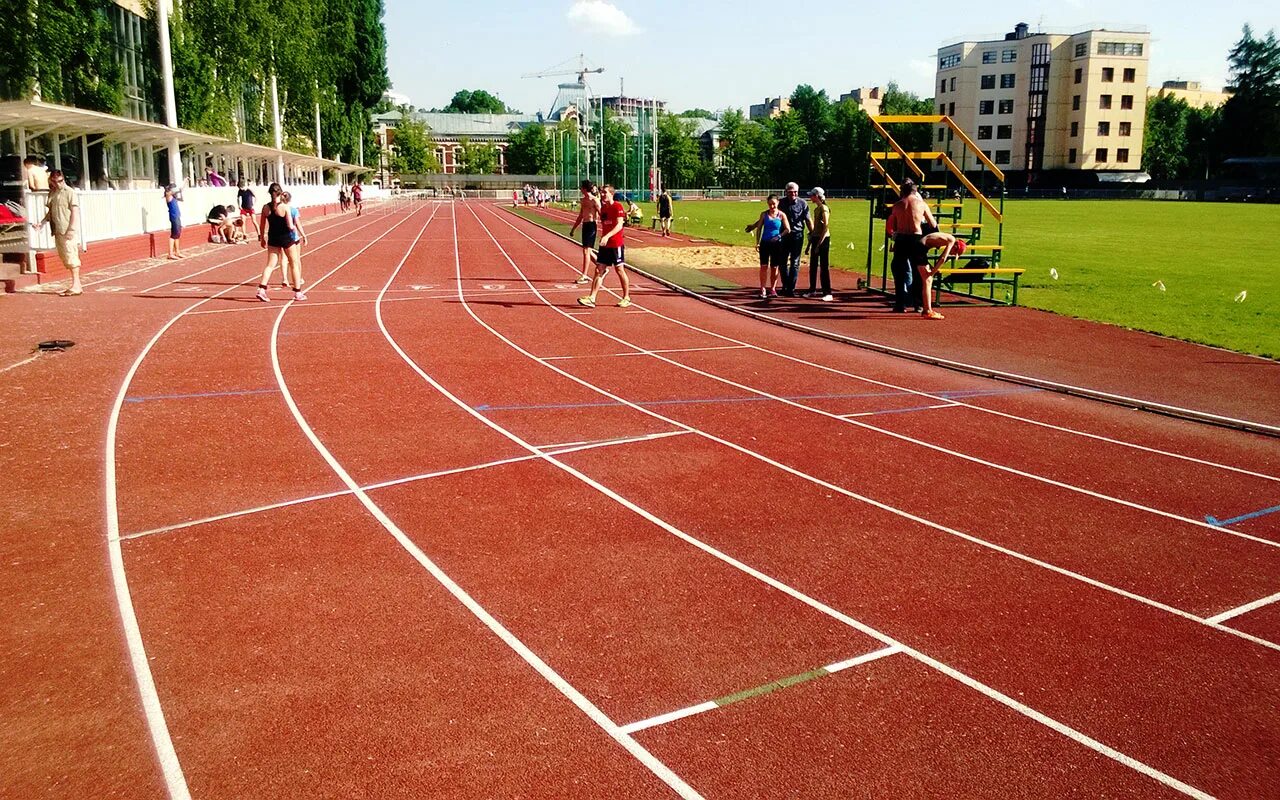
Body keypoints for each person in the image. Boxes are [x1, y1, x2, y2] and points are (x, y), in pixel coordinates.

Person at [885, 179, 939, 317]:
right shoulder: (921, 204)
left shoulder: (896, 206)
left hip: (901, 239)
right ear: (915, 192)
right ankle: (918, 305)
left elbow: (895, 227)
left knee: (900, 273)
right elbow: (933, 224)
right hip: (916, 239)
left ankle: (900, 304)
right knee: (919, 274)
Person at [576, 184, 631, 308]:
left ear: (611, 194)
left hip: (616, 244)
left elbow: (619, 225)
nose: (602, 194)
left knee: (619, 270)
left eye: (605, 192)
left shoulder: (617, 206)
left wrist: (607, 236)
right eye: (601, 192)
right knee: (598, 270)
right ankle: (592, 298)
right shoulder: (604, 209)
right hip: (605, 245)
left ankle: (626, 297)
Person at [38, 170, 82, 296]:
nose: (58, 184)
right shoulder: (52, 193)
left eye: (60, 181)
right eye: (55, 181)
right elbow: (51, 212)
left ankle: (76, 284)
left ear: (64, 179)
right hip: (57, 229)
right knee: (65, 256)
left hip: (66, 228)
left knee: (71, 255)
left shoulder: (70, 192)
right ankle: (76, 284)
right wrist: (42, 222)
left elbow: (74, 211)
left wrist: (71, 229)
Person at [745, 194, 790, 300]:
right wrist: (757, 242)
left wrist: (779, 236)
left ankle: (773, 289)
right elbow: (759, 228)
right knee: (764, 266)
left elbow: (788, 229)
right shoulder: (764, 214)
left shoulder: (781, 215)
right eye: (770, 204)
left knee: (775, 267)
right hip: (765, 243)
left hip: (776, 244)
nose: (772, 206)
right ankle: (763, 288)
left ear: (778, 203)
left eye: (774, 204)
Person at [255, 186, 295, 302]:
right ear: (281, 193)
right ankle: (297, 291)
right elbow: (290, 225)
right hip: (285, 237)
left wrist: (261, 238)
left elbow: (262, 225)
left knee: (270, 265)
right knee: (293, 263)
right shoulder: (284, 207)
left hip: (272, 237)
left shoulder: (265, 208)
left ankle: (261, 289)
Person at [776, 182, 809, 296]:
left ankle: (791, 288)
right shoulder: (780, 203)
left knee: (795, 262)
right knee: (782, 262)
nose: (793, 194)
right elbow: (770, 216)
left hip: (797, 235)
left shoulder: (803, 203)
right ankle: (785, 286)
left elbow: (808, 219)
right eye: (790, 192)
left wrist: (813, 233)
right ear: (786, 192)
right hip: (784, 235)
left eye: (795, 192)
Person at [567, 180, 600, 285]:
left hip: (592, 226)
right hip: (585, 226)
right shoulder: (583, 200)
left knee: (586, 251)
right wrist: (573, 229)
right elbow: (580, 216)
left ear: (585, 189)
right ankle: (601, 267)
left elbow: (601, 214)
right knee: (588, 252)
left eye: (581, 187)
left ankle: (584, 276)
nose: (580, 189)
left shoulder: (595, 200)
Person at [803, 187, 833, 301]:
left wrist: (818, 245)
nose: (810, 197)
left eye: (812, 195)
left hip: (823, 240)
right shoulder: (816, 209)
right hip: (816, 238)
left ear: (817, 196)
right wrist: (809, 245)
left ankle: (827, 292)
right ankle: (812, 289)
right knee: (813, 266)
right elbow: (815, 229)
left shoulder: (824, 208)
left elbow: (825, 228)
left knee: (824, 266)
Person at [281, 191, 308, 301]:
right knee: (296, 260)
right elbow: (297, 224)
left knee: (283, 259)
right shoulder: (293, 210)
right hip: (292, 237)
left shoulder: (278, 209)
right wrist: (304, 235)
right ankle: (299, 278)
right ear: (290, 200)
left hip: (280, 237)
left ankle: (284, 279)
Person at [164, 184, 184, 260]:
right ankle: (170, 253)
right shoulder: (168, 196)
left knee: (177, 234)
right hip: (174, 217)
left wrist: (181, 192)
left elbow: (182, 199)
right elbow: (169, 193)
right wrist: (179, 189)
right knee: (173, 235)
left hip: (177, 216)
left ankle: (177, 252)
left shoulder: (174, 197)